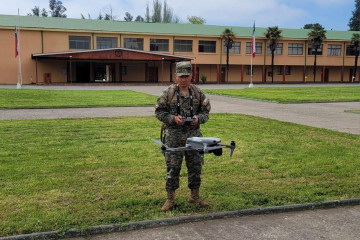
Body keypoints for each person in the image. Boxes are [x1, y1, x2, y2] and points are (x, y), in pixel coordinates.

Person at [155, 61, 211, 211]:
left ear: (191, 75)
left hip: (194, 138)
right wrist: (173, 118)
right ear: (176, 76)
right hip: (174, 137)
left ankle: (195, 196)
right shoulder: (168, 93)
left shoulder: (198, 93)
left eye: (186, 76)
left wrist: (199, 118)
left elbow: (206, 112)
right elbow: (159, 112)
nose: (184, 79)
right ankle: (170, 199)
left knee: (195, 167)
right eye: (181, 76)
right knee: (173, 168)